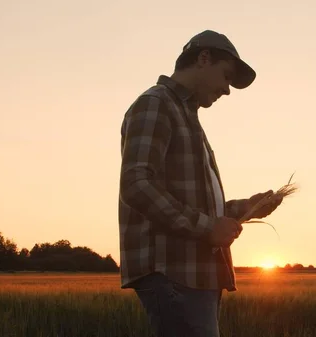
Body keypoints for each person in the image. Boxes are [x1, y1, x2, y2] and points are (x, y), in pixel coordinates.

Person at [118, 30, 283, 337]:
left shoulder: (186, 116)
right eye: (226, 77)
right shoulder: (156, 104)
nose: (227, 90)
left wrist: (244, 208)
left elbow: (197, 204)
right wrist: (208, 227)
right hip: (174, 274)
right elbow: (136, 184)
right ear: (203, 59)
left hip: (193, 275)